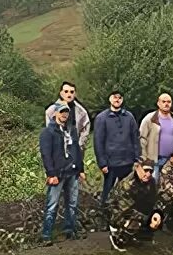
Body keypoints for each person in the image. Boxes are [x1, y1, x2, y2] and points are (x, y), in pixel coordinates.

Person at [39, 102, 85, 245]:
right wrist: (51, 173)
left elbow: (77, 151)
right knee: (52, 205)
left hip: (72, 173)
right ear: (55, 114)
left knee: (72, 204)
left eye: (66, 112)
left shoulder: (71, 130)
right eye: (61, 112)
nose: (64, 114)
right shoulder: (47, 132)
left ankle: (69, 231)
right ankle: (46, 235)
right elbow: (46, 154)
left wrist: (81, 169)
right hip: (57, 174)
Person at [93, 91, 140, 208]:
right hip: (110, 163)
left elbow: (135, 138)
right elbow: (98, 142)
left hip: (127, 161)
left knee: (127, 191)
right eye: (115, 97)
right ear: (110, 99)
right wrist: (102, 163)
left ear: (122, 100)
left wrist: (137, 157)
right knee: (108, 192)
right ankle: (103, 213)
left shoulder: (129, 116)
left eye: (120, 97)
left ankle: (124, 214)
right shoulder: (101, 118)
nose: (117, 100)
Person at [108, 158, 164, 252]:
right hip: (119, 211)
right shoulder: (127, 184)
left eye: (151, 171)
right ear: (138, 168)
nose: (148, 174)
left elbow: (156, 199)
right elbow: (127, 210)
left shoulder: (152, 182)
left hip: (137, 209)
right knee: (133, 222)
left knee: (158, 215)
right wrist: (147, 219)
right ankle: (117, 237)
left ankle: (139, 236)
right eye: (145, 170)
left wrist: (157, 213)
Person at [139, 93, 173, 181]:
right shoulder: (150, 118)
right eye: (163, 101)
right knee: (153, 183)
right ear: (158, 103)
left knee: (168, 183)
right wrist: (144, 158)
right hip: (153, 160)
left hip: (171, 159)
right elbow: (142, 139)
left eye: (169, 102)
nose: (166, 104)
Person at [45, 81, 91, 151]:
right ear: (61, 93)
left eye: (71, 92)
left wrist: (80, 146)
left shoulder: (81, 111)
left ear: (75, 93)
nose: (69, 94)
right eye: (66, 91)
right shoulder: (51, 110)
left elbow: (85, 128)